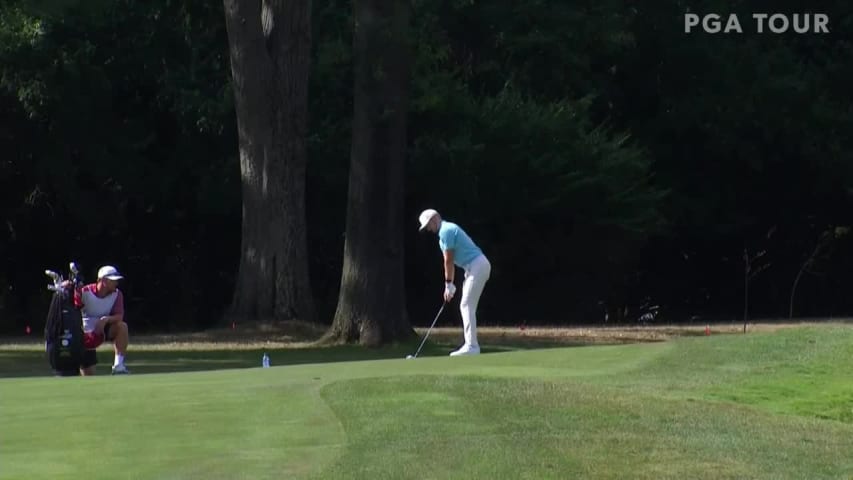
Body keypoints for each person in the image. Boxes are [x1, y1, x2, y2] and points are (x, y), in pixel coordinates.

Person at [418, 209, 491, 356]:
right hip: (473, 267)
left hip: (477, 265)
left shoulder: (446, 231)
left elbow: (448, 260)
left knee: (466, 305)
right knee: (466, 304)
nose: (428, 229)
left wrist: (448, 284)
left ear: (435, 219)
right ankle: (471, 345)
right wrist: (450, 285)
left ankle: (472, 346)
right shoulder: (445, 232)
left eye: (428, 225)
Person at [72, 265, 131, 375]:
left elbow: (119, 316)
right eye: (113, 281)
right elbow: (74, 309)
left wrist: (105, 320)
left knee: (122, 326)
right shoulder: (85, 292)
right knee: (89, 375)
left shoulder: (117, 294)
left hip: (104, 329)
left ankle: (118, 366)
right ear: (103, 280)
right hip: (84, 334)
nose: (116, 283)